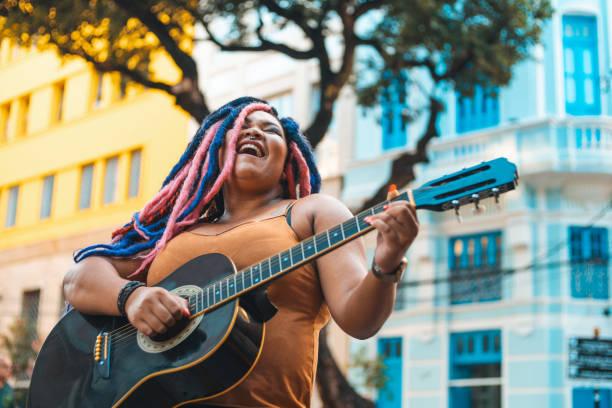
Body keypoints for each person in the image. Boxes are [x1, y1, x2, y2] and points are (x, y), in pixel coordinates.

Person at [63, 96, 419, 407]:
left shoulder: (313, 212)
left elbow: (360, 321)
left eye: (271, 130)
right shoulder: (174, 233)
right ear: (214, 151)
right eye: (239, 127)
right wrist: (131, 298)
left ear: (288, 161)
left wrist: (386, 266)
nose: (252, 132)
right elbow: (79, 279)